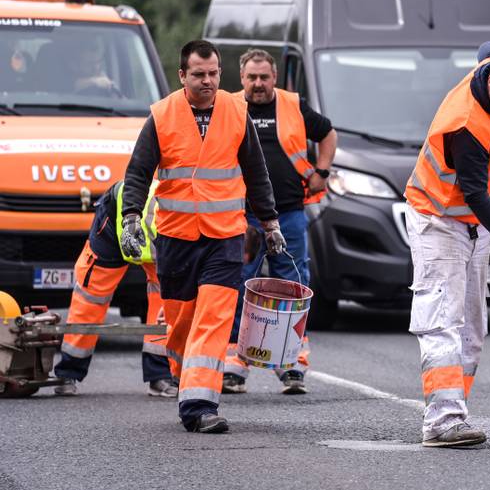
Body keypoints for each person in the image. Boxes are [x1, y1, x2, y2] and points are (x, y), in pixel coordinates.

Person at [121, 39, 284, 434]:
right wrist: (129, 219)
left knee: (213, 319)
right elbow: (138, 173)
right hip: (176, 238)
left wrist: (270, 223)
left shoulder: (236, 111)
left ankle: (199, 405)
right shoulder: (161, 116)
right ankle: (184, 375)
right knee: (180, 326)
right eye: (199, 74)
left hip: (224, 237)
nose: (208, 81)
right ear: (183, 76)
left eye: (213, 74)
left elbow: (255, 172)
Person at [404, 42, 490, 448]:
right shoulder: (466, 125)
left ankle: (455, 409)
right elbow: (476, 193)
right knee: (442, 320)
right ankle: (442, 422)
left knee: (473, 327)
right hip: (438, 219)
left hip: (473, 226)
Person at [222, 48, 337, 395]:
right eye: (252, 78)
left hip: (288, 212)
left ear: (274, 78)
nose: (258, 84)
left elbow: (328, 134)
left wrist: (323, 171)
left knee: (294, 287)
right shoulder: (228, 106)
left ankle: (291, 365)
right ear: (241, 79)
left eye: (264, 77)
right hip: (243, 216)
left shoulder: (292, 104)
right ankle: (234, 365)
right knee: (238, 285)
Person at [52, 180, 176, 398]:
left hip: (158, 241)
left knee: (166, 301)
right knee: (91, 296)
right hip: (114, 223)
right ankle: (68, 371)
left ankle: (160, 376)